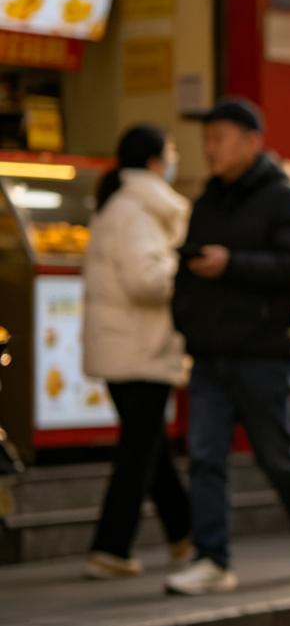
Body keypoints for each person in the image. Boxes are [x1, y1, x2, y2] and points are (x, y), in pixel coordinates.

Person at [167, 97, 290, 595]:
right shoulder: (208, 199)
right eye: (207, 140)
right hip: (210, 352)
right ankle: (212, 559)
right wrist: (187, 320)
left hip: (262, 350)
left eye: (218, 139)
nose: (210, 149)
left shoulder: (284, 196)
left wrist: (233, 263)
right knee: (205, 456)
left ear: (251, 142)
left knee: (274, 453)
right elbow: (187, 270)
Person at [81, 124, 192, 578]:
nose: (173, 160)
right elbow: (146, 281)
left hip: (124, 346)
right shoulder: (138, 211)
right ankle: (110, 547)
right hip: (140, 348)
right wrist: (187, 270)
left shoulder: (121, 206)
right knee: (139, 451)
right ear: (152, 161)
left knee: (150, 448)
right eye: (169, 152)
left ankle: (185, 536)